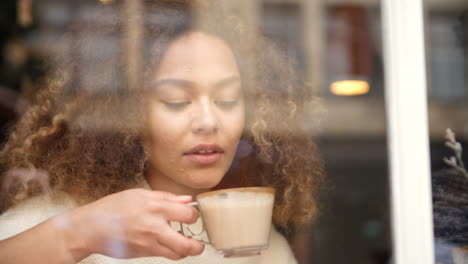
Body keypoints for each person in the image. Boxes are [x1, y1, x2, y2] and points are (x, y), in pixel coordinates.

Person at [0, 0, 323, 263]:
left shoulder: (261, 245)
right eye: (177, 101)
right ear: (127, 115)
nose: (208, 121)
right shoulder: (60, 217)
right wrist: (81, 233)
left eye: (227, 99)